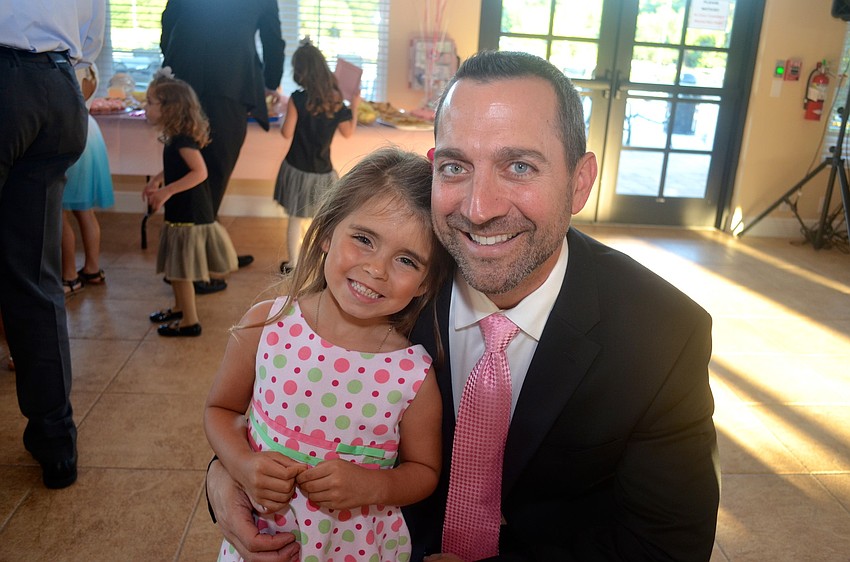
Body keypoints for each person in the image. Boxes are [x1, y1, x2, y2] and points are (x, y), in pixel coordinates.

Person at [207, 50, 720, 562]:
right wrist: (222, 478)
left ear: (580, 181)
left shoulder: (662, 336)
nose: (479, 209)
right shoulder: (393, 283)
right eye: (456, 166)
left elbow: (667, 546)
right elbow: (286, 411)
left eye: (519, 166)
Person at [205, 147, 453, 561]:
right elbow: (220, 408)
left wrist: (373, 486)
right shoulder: (264, 325)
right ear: (324, 234)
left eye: (406, 260)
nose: (377, 269)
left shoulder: (413, 376)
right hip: (264, 539)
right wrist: (242, 464)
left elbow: (424, 471)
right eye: (364, 239)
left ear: (425, 284)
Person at [0, 0, 105, 489]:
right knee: (35, 281)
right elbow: (91, 42)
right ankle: (56, 442)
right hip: (60, 90)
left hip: (6, 82)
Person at [161, 0, 286, 292]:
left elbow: (169, 22)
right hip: (231, 81)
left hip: (186, 80)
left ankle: (211, 251)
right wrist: (270, 82)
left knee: (191, 168)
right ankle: (193, 269)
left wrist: (174, 62)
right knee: (213, 172)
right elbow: (273, 39)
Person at [144, 72, 238, 337]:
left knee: (182, 271)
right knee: (176, 267)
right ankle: (179, 307)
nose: (146, 107)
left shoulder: (183, 141)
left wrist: (167, 192)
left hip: (190, 214)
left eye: (151, 102)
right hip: (181, 213)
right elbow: (176, 168)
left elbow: (199, 172)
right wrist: (158, 181)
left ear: (170, 109)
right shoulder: (175, 137)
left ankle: (190, 321)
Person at [273, 38, 359, 274]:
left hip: (297, 168)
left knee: (295, 218)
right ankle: (318, 265)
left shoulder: (298, 99)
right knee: (317, 220)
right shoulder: (335, 101)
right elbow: (348, 132)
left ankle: (293, 265)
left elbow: (286, 132)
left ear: (300, 72)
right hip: (323, 171)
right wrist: (355, 105)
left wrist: (283, 117)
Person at [61, 63, 114, 296]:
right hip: (88, 130)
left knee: (58, 212)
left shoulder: (66, 64)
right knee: (85, 210)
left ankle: (69, 275)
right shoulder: (90, 64)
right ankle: (92, 268)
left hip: (69, 132)